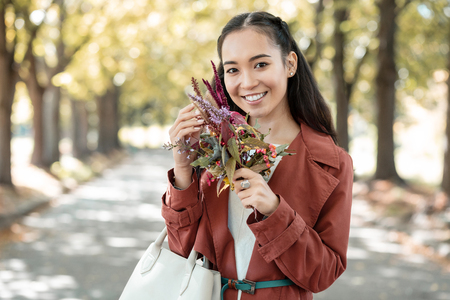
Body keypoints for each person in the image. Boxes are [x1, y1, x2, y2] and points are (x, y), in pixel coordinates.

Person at [161, 11, 353, 300]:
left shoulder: (332, 163)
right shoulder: (214, 148)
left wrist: (276, 212)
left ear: (290, 64)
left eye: (260, 64)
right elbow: (180, 249)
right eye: (233, 70)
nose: (247, 82)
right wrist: (183, 170)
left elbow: (323, 273)